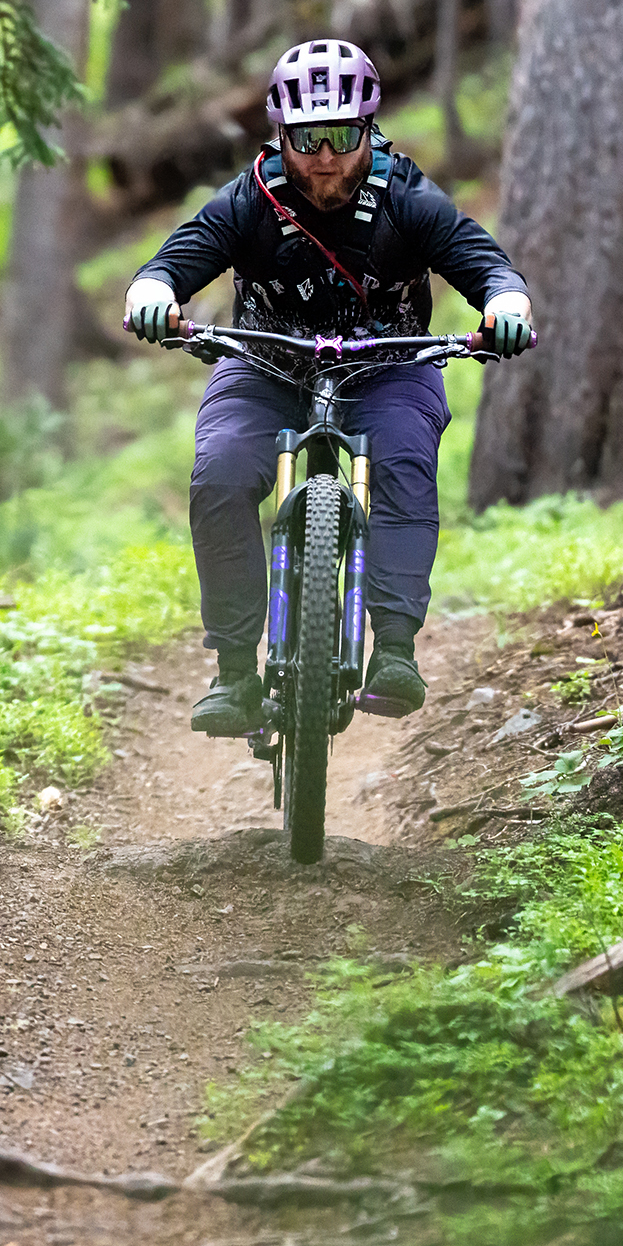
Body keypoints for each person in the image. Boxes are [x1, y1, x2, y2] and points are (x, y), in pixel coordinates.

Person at [121, 38, 534, 736]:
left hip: (389, 366)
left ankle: (394, 651)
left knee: (404, 460)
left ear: (368, 130)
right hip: (265, 364)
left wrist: (506, 303)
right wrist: (154, 291)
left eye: (341, 136)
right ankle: (234, 672)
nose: (323, 157)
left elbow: (481, 260)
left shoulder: (405, 196)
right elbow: (178, 258)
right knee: (220, 474)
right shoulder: (250, 199)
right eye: (306, 138)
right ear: (280, 135)